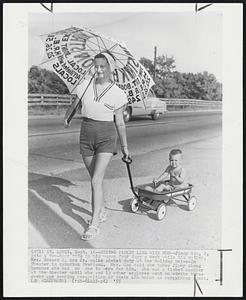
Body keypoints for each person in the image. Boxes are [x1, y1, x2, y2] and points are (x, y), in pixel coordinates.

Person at [64, 52, 130, 241]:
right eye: (96, 66)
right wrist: (67, 116)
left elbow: (120, 123)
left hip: (106, 137)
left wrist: (125, 147)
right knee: (94, 178)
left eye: (103, 66)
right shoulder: (84, 86)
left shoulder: (118, 93)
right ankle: (101, 209)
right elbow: (75, 104)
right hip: (86, 134)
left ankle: (94, 224)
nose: (99, 70)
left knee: (95, 181)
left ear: (110, 68)